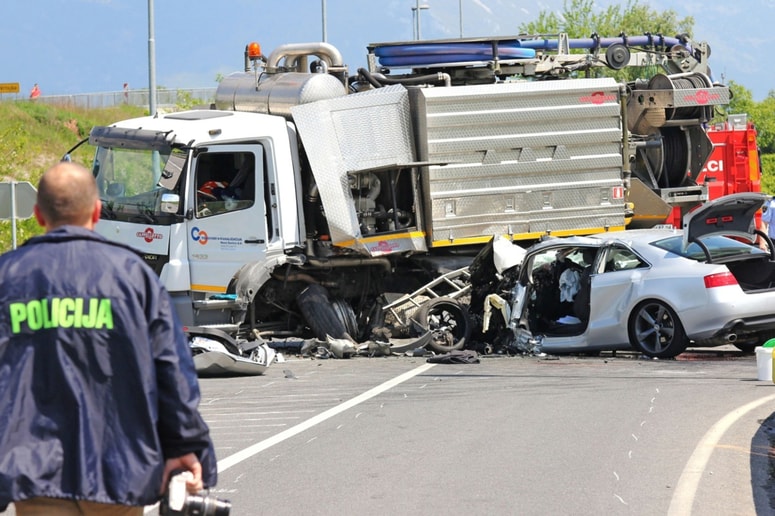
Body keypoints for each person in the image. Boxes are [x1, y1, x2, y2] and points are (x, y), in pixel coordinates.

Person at [0, 162, 217, 515]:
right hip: (119, 472)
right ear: (97, 211)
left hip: (37, 477)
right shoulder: (134, 278)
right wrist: (185, 445)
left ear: (38, 215)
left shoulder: (7, 278)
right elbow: (172, 372)